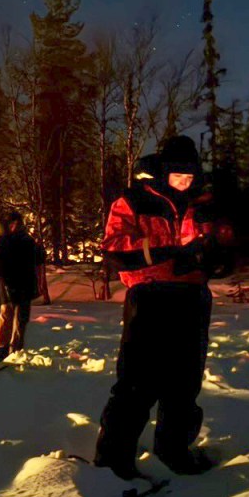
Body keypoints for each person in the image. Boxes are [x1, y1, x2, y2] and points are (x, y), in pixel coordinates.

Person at [92, 135, 218, 479]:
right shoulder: (133, 200)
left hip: (192, 300)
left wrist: (215, 252)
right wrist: (168, 251)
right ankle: (114, 459)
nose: (185, 181)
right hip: (150, 298)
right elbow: (115, 248)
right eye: (178, 175)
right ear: (163, 172)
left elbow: (219, 245)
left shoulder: (201, 203)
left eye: (190, 175)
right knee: (137, 383)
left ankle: (174, 450)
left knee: (184, 384)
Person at [0, 211, 44, 361]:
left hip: (20, 284)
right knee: (9, 316)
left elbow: (36, 261)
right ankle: (4, 348)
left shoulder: (24, 240)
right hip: (12, 284)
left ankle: (12, 348)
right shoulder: (11, 240)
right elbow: (0, 264)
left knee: (18, 317)